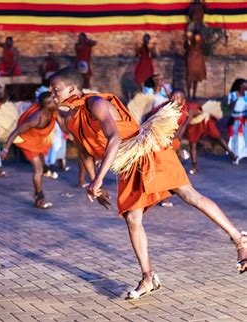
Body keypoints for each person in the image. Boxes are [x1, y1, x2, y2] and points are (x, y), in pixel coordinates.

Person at [50, 67, 246, 300]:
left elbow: (114, 139)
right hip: (129, 163)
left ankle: (239, 240)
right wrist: (94, 182)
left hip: (148, 150)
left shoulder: (96, 103)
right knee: (132, 219)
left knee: (188, 195)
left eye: (56, 89)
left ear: (72, 88)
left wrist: (100, 179)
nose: (52, 94)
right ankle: (148, 278)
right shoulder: (71, 119)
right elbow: (84, 152)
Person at [0, 92, 58, 208]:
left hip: (37, 140)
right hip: (27, 142)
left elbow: (61, 121)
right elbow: (16, 131)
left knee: (42, 163)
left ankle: (45, 170)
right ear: (46, 104)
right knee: (38, 170)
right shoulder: (35, 118)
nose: (56, 101)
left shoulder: (52, 111)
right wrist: (5, 149)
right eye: (53, 100)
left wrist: (71, 133)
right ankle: (39, 198)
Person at [186, 99, 237, 174]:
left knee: (217, 136)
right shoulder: (178, 108)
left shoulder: (191, 108)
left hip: (204, 120)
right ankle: (194, 167)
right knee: (193, 144)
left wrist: (179, 136)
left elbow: (186, 121)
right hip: (193, 124)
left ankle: (230, 152)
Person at [227, 78, 247, 165]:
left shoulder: (246, 95)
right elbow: (230, 107)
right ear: (241, 86)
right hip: (236, 120)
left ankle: (244, 155)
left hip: (245, 119)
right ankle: (236, 156)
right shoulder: (233, 95)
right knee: (237, 139)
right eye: (245, 84)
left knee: (245, 139)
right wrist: (236, 100)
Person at [185, 32, 206, 99]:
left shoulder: (201, 43)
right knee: (189, 78)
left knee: (196, 78)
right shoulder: (190, 43)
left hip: (198, 62)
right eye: (196, 37)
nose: (197, 38)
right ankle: (188, 94)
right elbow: (186, 48)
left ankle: (194, 94)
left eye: (198, 37)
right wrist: (188, 40)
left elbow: (206, 48)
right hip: (191, 61)